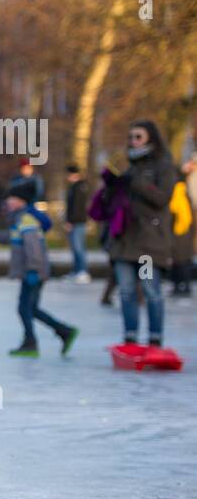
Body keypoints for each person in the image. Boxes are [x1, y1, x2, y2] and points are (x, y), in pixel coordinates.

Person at [0, 178, 78, 357]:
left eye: (10, 199)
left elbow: (33, 248)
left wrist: (33, 269)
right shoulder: (21, 219)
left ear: (20, 201)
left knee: (25, 308)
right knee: (30, 308)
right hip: (32, 271)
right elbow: (13, 237)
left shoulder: (26, 219)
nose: (7, 202)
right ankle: (63, 331)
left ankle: (31, 343)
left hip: (33, 271)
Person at [103, 120, 177, 346]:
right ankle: (130, 337)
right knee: (125, 292)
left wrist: (135, 183)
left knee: (149, 289)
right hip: (124, 243)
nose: (133, 141)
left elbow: (162, 198)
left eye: (138, 137)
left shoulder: (162, 165)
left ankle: (155, 338)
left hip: (147, 246)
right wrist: (112, 186)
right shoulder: (130, 166)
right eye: (131, 137)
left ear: (151, 139)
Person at [168, 159, 193, 297]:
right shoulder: (183, 192)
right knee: (182, 261)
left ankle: (181, 286)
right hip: (184, 233)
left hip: (179, 233)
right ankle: (182, 286)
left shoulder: (177, 193)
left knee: (179, 262)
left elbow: (176, 214)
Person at [63, 163, 89, 283]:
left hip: (77, 222)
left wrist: (70, 221)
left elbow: (77, 207)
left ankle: (83, 271)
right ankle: (76, 271)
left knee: (79, 248)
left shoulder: (79, 187)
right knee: (74, 248)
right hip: (74, 222)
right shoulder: (74, 187)